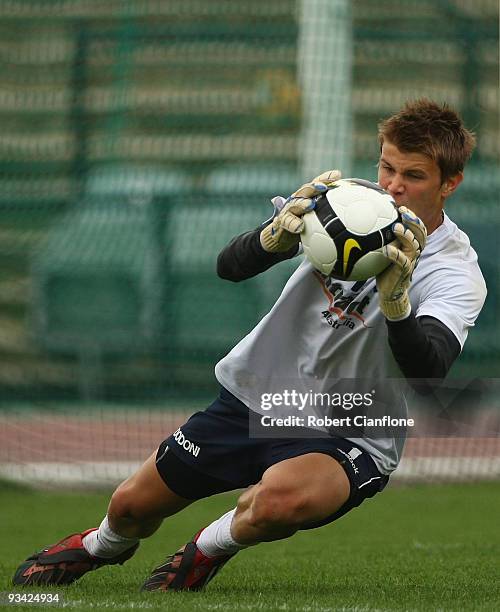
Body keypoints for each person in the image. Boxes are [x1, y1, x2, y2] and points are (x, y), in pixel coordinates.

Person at [13, 99, 486, 591]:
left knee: (277, 503)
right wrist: (272, 239)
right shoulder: (345, 203)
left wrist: (397, 309)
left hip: (351, 427)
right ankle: (100, 546)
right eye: (387, 167)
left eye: (414, 176)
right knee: (131, 508)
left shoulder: (455, 270)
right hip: (255, 397)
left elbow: (428, 369)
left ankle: (207, 548)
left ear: (449, 183)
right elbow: (229, 267)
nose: (392, 186)